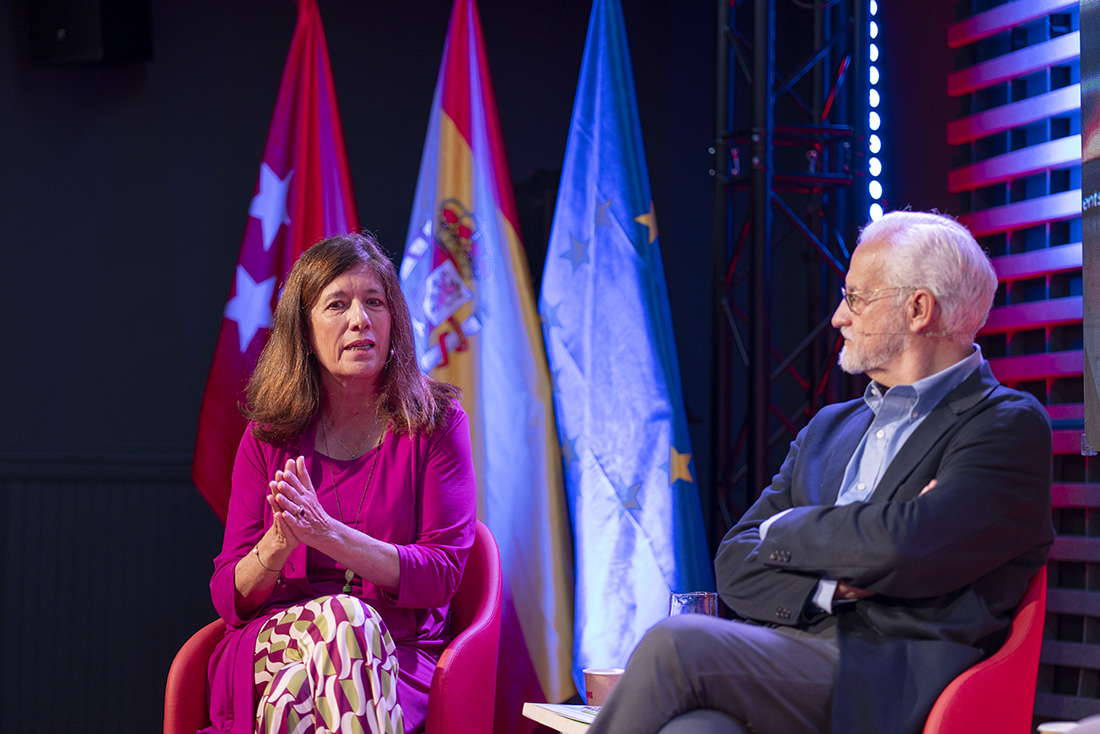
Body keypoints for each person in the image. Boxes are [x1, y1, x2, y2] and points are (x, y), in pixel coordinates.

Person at [587, 210, 1054, 734]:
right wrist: (831, 588)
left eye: (856, 298)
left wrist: (782, 528)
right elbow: (734, 560)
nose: (838, 317)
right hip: (782, 651)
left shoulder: (1005, 425)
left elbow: (906, 545)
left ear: (918, 309)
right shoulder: (829, 428)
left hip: (881, 680)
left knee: (678, 642)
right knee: (693, 731)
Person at [203, 232, 476, 734]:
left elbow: (441, 573)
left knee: (298, 697)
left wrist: (328, 535)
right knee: (346, 619)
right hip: (277, 647)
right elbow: (229, 597)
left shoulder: (435, 423)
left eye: (375, 302)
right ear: (304, 330)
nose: (360, 320)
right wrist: (278, 543)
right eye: (337, 304)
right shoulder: (268, 436)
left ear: (394, 321)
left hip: (397, 656)